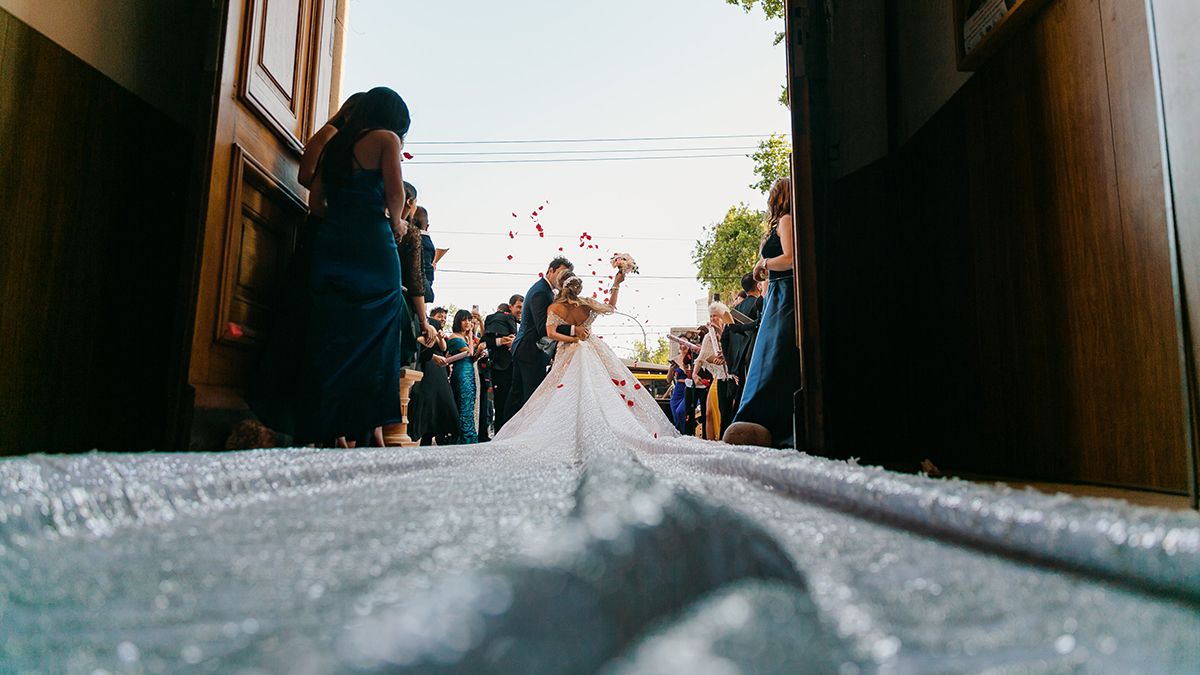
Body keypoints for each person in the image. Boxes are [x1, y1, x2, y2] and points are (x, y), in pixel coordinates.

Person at [291, 86, 413, 445]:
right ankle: (370, 428)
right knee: (378, 333)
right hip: (373, 246)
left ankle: (330, 429)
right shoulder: (386, 139)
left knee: (334, 334)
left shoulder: (336, 144)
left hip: (333, 243)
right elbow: (395, 193)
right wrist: (397, 223)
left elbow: (316, 205)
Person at [495, 268, 677, 443]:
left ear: (560, 285)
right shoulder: (587, 304)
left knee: (566, 392)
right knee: (600, 389)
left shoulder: (554, 308)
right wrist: (616, 283)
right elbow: (611, 307)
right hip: (592, 349)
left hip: (568, 352)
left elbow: (550, 333)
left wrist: (571, 339)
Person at [724, 178, 798, 448]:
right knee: (767, 356)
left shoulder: (786, 220)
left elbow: (791, 258)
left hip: (784, 294)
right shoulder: (785, 222)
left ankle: (766, 420)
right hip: (777, 294)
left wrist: (763, 262)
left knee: (773, 355)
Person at [503, 257, 579, 421]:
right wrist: (574, 330)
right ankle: (522, 435)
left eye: (566, 275)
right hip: (529, 350)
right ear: (550, 270)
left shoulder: (545, 290)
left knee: (517, 396)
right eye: (561, 273)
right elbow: (542, 327)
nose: (563, 278)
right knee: (532, 397)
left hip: (525, 348)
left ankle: (505, 432)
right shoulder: (540, 292)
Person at [407, 308, 458, 445]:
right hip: (428, 364)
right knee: (426, 398)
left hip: (439, 368)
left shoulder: (439, 330)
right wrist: (433, 355)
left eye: (445, 317)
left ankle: (439, 432)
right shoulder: (426, 324)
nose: (443, 319)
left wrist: (440, 338)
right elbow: (420, 343)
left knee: (442, 399)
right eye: (440, 316)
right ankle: (421, 432)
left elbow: (443, 348)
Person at [721, 274, 765, 411]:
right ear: (758, 285)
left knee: (737, 405)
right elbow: (761, 326)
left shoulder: (734, 312)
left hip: (737, 367)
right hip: (752, 361)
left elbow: (724, 339)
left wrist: (731, 366)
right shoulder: (759, 304)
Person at [484, 294, 523, 431]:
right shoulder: (498, 319)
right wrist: (502, 341)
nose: (520, 310)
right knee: (501, 405)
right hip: (501, 370)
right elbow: (486, 341)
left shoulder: (518, 324)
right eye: (518, 307)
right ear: (510, 306)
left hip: (515, 370)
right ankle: (499, 435)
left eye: (523, 308)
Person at [698, 302, 734, 439]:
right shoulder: (708, 336)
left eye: (715, 316)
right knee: (722, 411)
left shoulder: (730, 330)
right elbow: (704, 356)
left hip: (734, 376)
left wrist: (725, 357)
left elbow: (734, 349)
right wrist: (715, 359)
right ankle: (724, 440)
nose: (713, 318)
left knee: (733, 410)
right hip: (720, 378)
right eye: (711, 316)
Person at [446, 309, 480, 444]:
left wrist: (480, 352)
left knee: (469, 404)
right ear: (458, 321)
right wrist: (471, 334)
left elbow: (472, 357)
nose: (467, 323)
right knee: (463, 403)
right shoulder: (454, 337)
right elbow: (470, 352)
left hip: (470, 372)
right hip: (461, 375)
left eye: (469, 320)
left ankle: (468, 436)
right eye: (464, 320)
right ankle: (465, 438)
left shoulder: (465, 338)